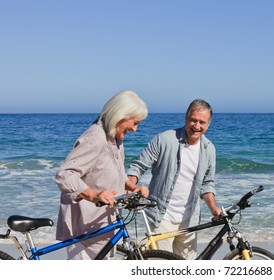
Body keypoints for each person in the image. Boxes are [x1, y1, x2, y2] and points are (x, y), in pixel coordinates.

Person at [55, 90, 149, 260]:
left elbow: (114, 174)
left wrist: (132, 187)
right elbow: (65, 175)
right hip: (84, 228)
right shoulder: (95, 137)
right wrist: (94, 195)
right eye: (135, 123)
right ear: (120, 115)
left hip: (102, 224)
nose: (135, 130)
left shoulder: (115, 139)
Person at [126, 99, 221, 259]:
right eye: (193, 120)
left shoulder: (209, 148)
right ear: (186, 118)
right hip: (161, 217)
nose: (197, 126)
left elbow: (207, 184)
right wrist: (130, 187)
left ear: (208, 124)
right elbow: (138, 166)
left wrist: (214, 208)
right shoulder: (164, 139)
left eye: (202, 122)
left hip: (190, 220)